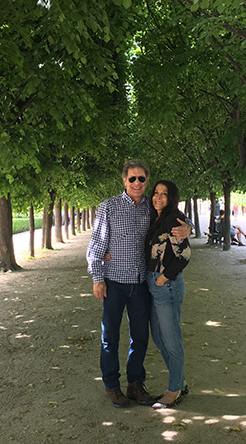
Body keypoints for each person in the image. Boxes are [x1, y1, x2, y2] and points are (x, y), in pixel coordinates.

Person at [86, 160, 191, 408]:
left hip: (140, 284)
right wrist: (97, 278)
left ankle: (135, 384)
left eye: (142, 179)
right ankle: (112, 385)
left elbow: (173, 219)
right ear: (124, 180)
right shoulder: (108, 207)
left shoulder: (151, 206)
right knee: (109, 336)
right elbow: (96, 245)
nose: (137, 183)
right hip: (113, 282)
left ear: (146, 181)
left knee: (140, 336)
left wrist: (188, 227)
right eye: (132, 178)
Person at [146, 180, 191, 409]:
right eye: (156, 193)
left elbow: (184, 256)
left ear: (172, 198)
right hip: (153, 283)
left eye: (164, 194)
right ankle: (180, 381)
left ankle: (174, 390)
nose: (158, 197)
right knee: (159, 336)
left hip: (166, 285)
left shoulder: (174, 218)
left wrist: (163, 279)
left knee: (171, 340)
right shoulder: (156, 216)